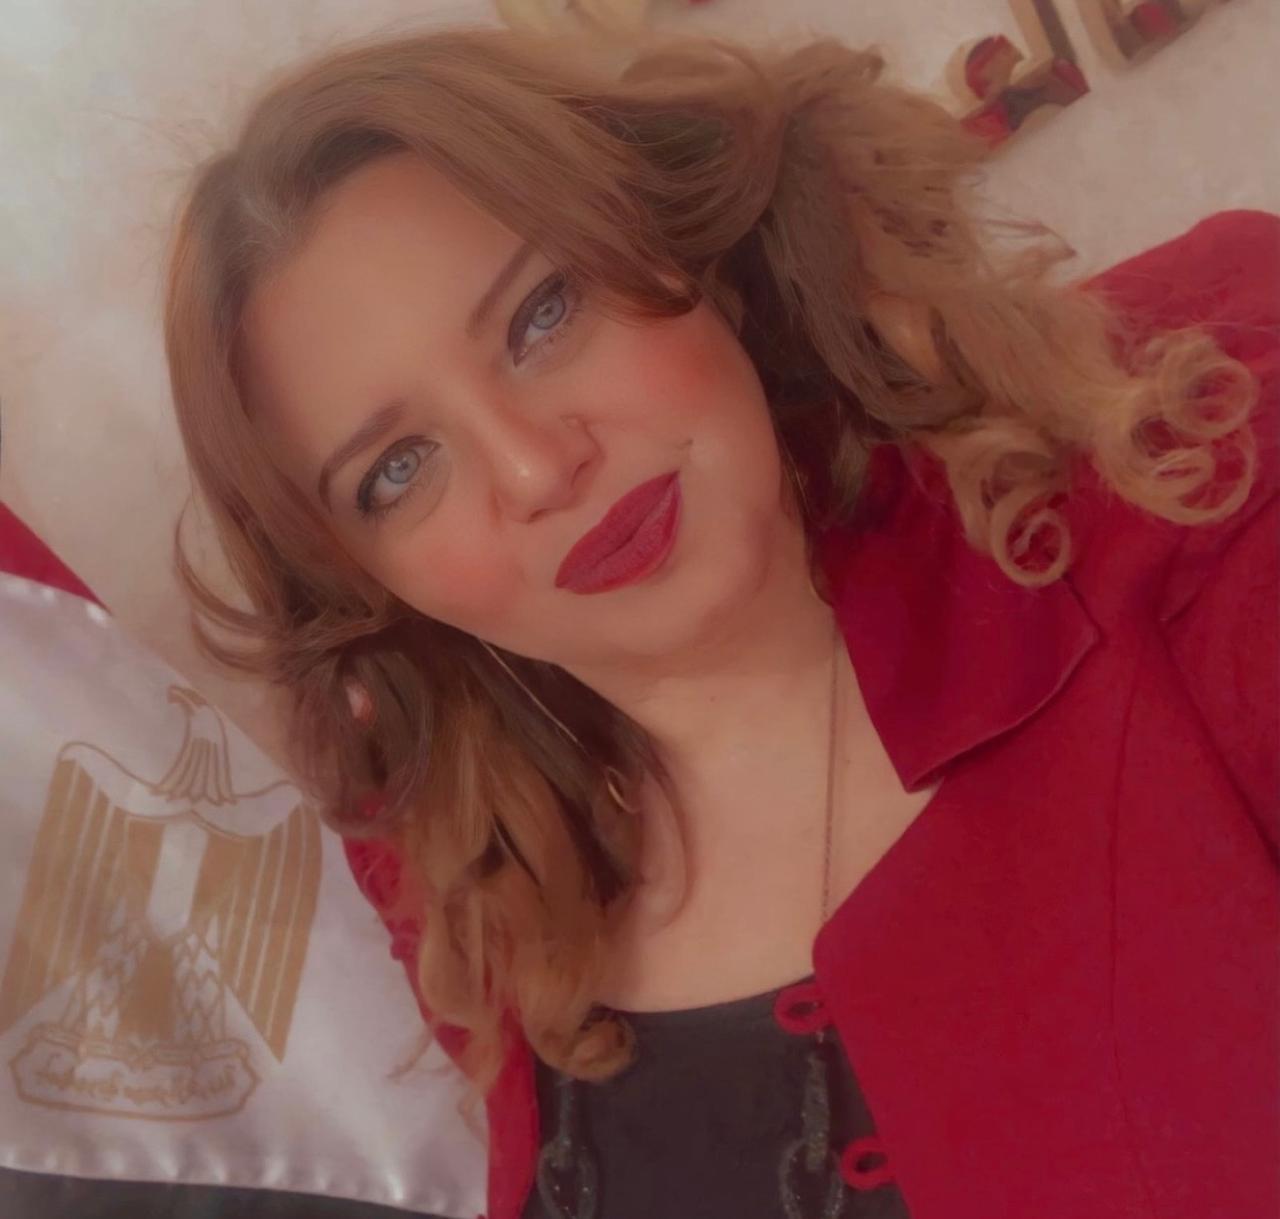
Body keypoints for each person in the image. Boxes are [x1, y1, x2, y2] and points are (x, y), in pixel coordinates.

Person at [159, 23, 1278, 1219]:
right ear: (368, 584)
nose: (536, 468)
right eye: (398, 469)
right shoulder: (474, 884)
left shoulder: (1195, 494)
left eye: (543, 312)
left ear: (678, 237)